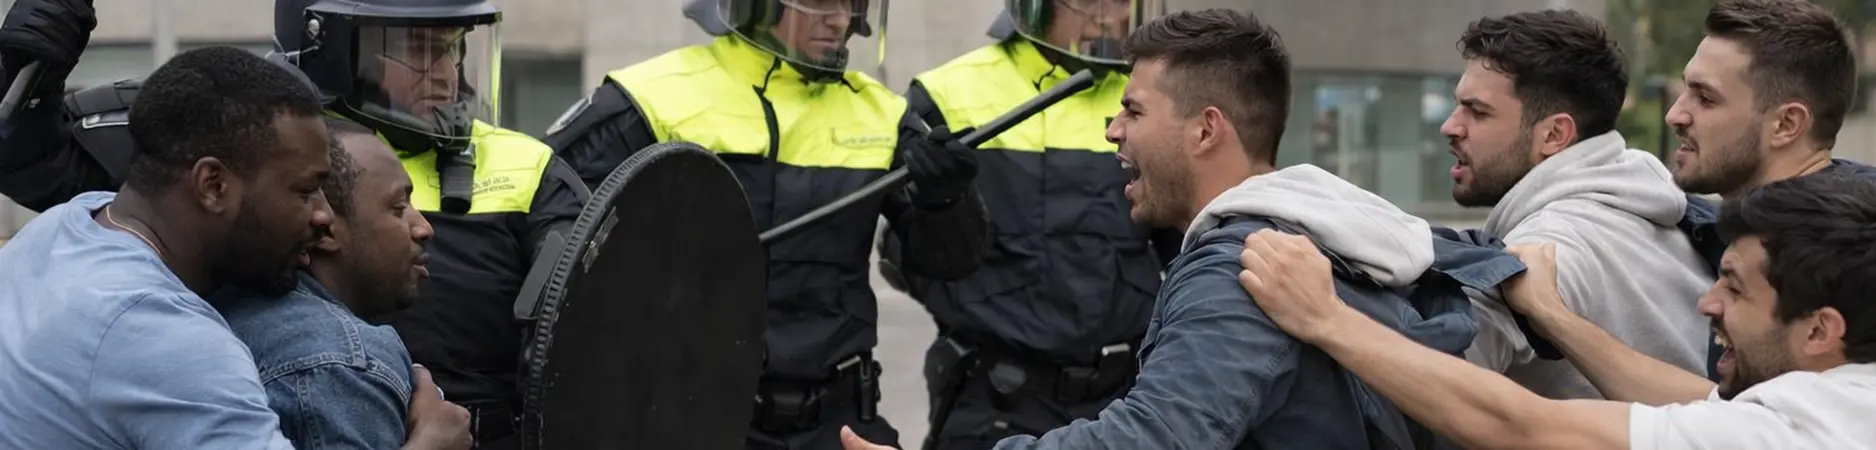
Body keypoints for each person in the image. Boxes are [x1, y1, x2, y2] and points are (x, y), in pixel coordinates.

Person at [842, 9, 1525, 450]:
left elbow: (1157, 437)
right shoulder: (1317, 221)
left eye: (1132, 111)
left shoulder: (1244, 267)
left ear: (1205, 130)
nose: (1111, 129)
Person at [0, 1, 586, 446]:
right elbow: (33, 155)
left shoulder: (65, 232)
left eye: (454, 48)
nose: (322, 218)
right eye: (307, 190)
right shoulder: (180, 346)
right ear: (212, 182)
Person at [540, 1, 988, 448]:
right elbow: (547, 234)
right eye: (819, 2)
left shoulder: (882, 114)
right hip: (692, 420)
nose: (841, 20)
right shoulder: (651, 98)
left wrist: (948, 201)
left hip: (841, 423)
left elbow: (947, 264)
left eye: (852, 3)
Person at [1236, 172, 1876, 449]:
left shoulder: (1804, 438)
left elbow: (1523, 425)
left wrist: (1328, 318)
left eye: (1736, 288)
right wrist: (1554, 316)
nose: (1707, 301)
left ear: (1822, 330)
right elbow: (1701, 400)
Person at [872, 3, 1177, 449]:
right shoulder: (947, 94)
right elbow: (912, 255)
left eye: (1123, 0)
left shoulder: (1153, 98)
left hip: (1124, 398)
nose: (1112, 15)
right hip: (996, 399)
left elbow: (1185, 245)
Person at [1438, 9, 1713, 398]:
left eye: (1477, 111)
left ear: (1554, 135)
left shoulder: (1548, 248)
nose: (1450, 126)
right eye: (1457, 105)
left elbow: (1440, 385)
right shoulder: (1646, 199)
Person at [1660, 0, 1876, 381]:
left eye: (1706, 98)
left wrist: (1558, 318)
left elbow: (1742, 421)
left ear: (1786, 124)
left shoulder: (1860, 246)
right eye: (1685, 91)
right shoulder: (1768, 222)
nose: (1675, 114)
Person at [209, 117, 453, 449]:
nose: (424, 227)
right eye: (398, 208)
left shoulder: (225, 303)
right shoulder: (341, 361)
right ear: (325, 229)